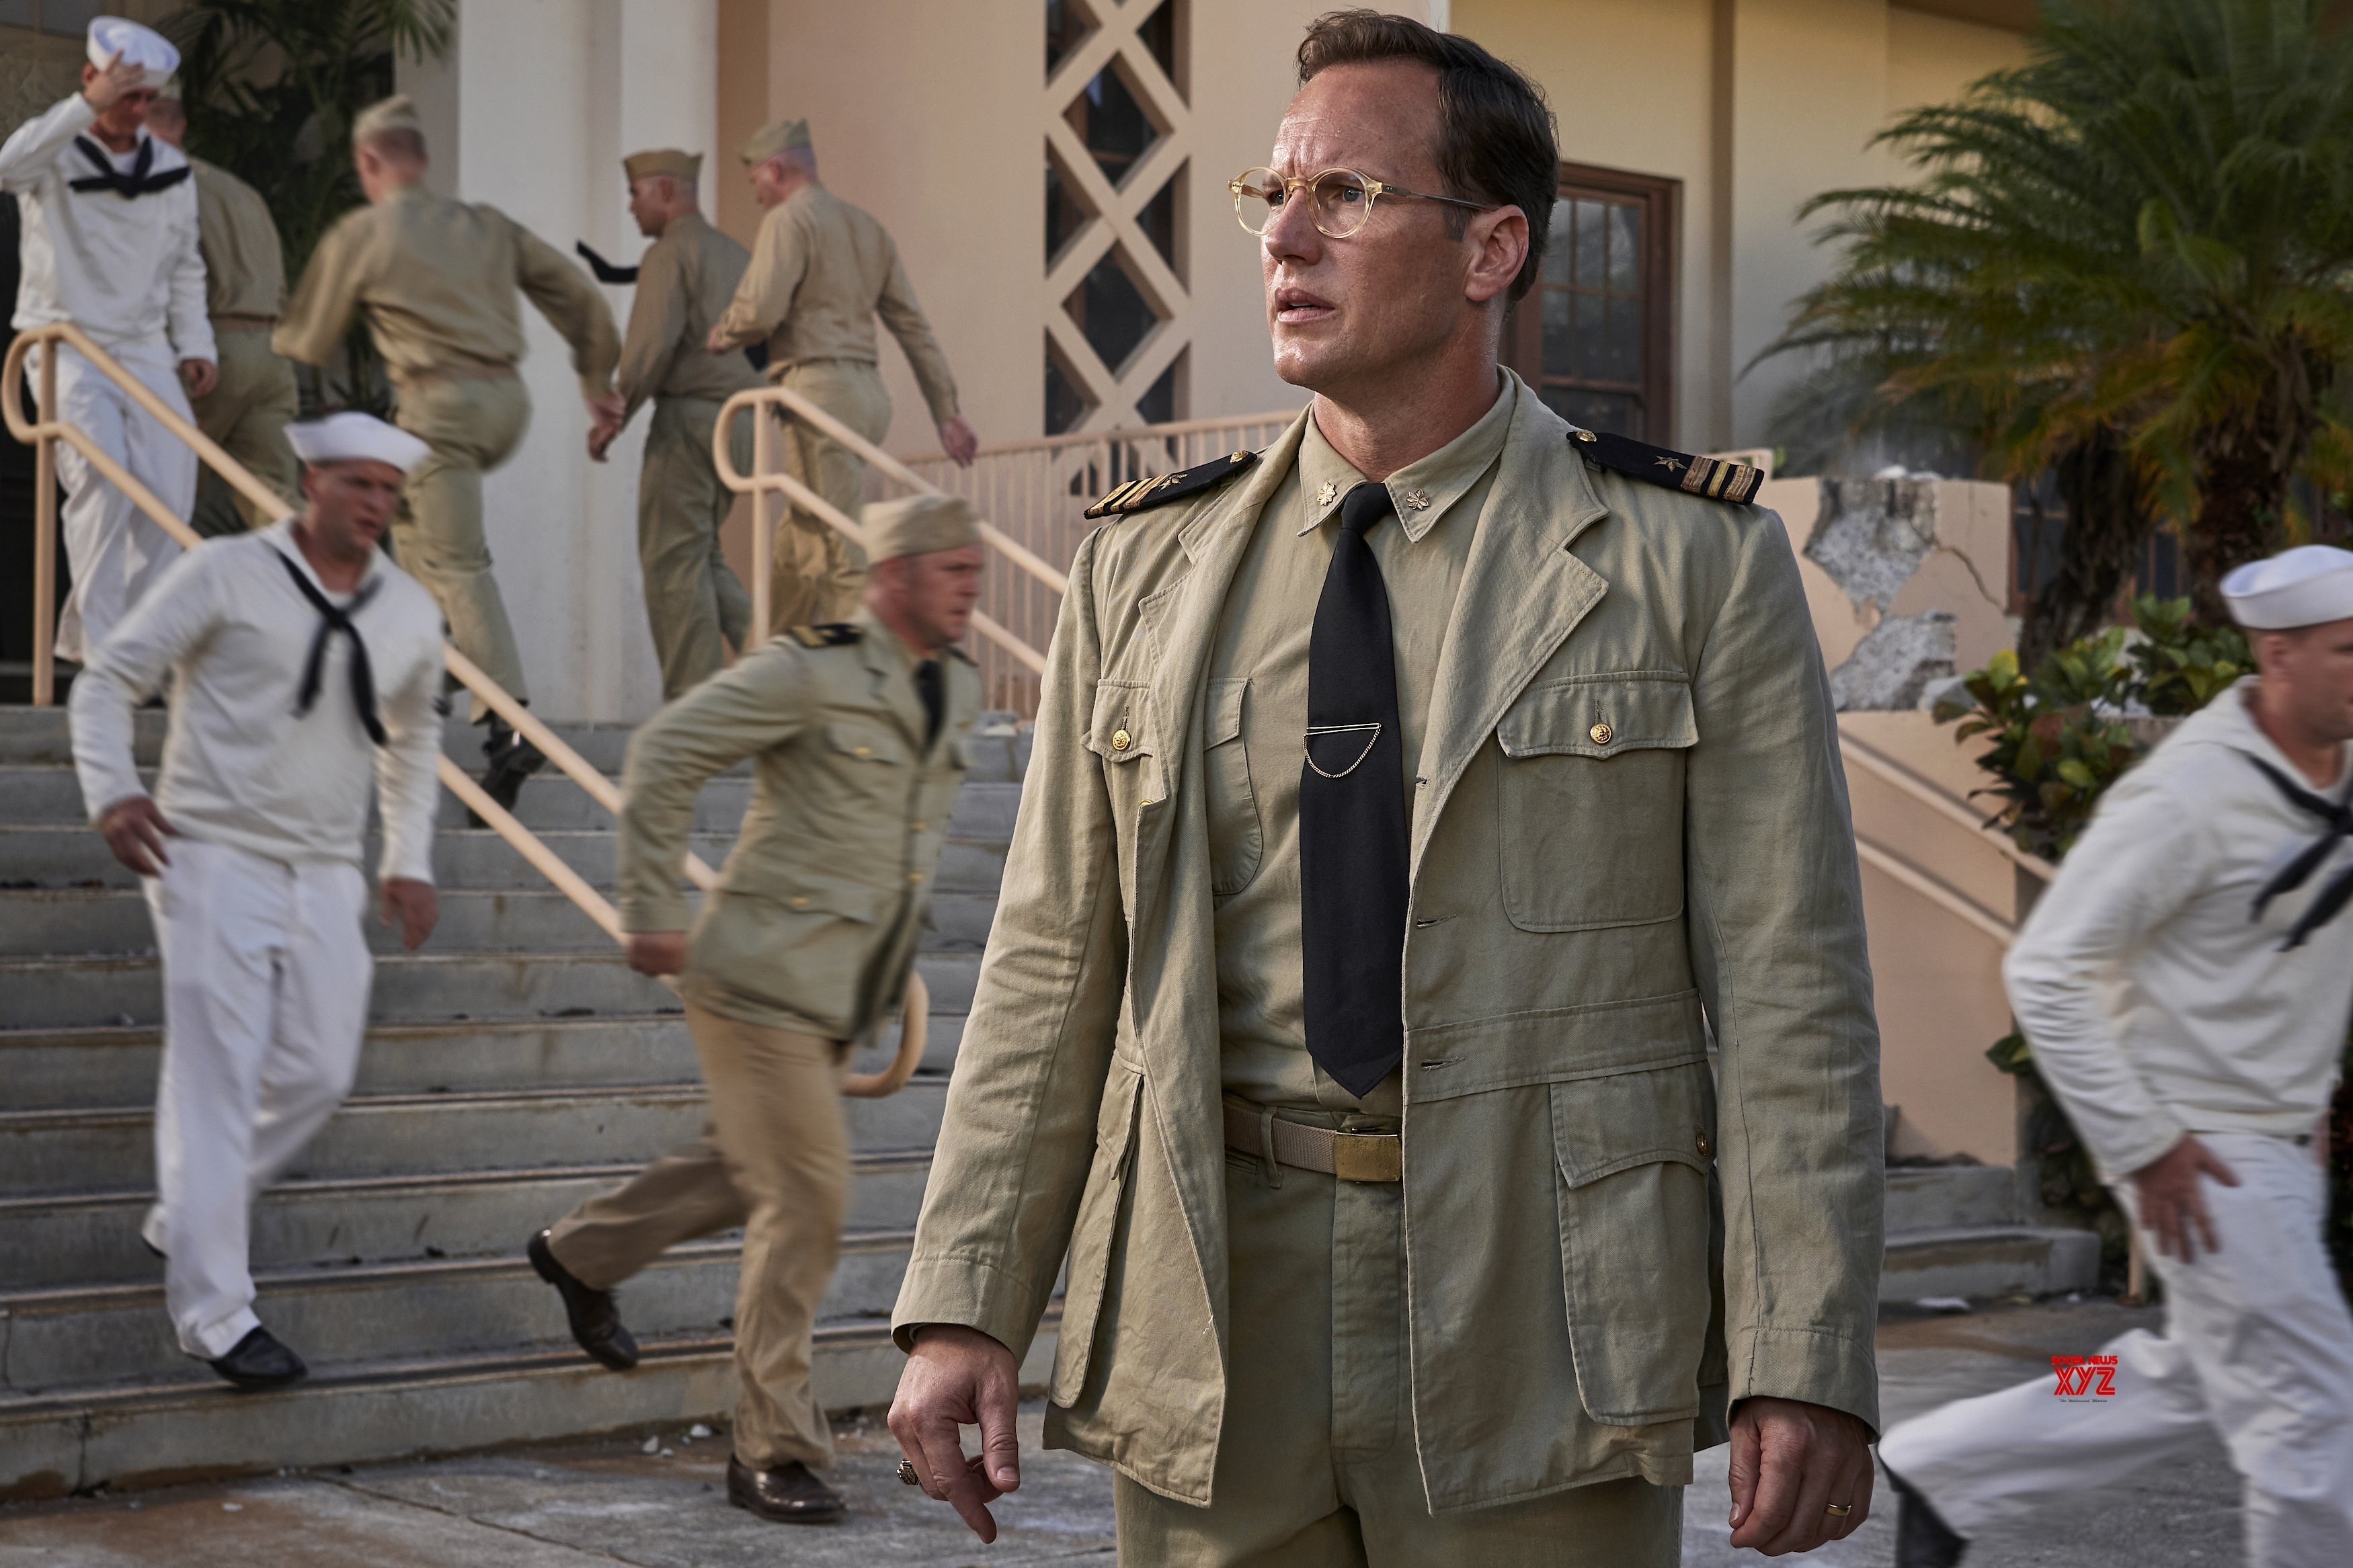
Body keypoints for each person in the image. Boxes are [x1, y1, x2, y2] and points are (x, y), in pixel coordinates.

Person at [887, 13, 1884, 1566]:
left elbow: (1786, 989)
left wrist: (1802, 1348)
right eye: (1272, 193)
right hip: (1215, 1300)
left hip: (1542, 1306)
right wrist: (966, 1296)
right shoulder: (1145, 565)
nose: (1285, 238)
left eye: (1345, 194)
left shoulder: (1688, 561)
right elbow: (1051, 960)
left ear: (1493, 249)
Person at [1877, 548, 2353, 1567]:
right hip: (2206, 1158)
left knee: (2186, 1376)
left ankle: (1948, 1458)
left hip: (2276, 1146)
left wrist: (2309, 1092)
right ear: (2278, 656)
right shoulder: (2188, 796)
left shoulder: (2333, 770)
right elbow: (2048, 967)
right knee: (2311, 1416)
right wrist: (2144, 1144)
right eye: (2348, 650)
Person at [524, 493, 984, 1525]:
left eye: (974, 571)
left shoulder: (955, 686)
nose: (970, 590)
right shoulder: (810, 670)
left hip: (837, 995)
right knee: (808, 1195)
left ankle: (578, 1253)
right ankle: (772, 1446)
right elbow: (667, 751)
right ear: (894, 574)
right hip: (754, 981)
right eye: (952, 571)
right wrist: (651, 906)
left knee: (745, 1170)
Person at [68, 411, 444, 1390]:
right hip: (209, 855)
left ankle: (187, 1211)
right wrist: (114, 789)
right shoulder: (225, 572)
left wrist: (408, 858)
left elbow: (413, 741)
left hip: (326, 867)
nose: (374, 503)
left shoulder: (409, 609)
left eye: (388, 490)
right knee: (217, 1077)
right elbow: (108, 680)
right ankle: (216, 1314)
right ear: (311, 483)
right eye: (357, 483)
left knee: (319, 1068)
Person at [275, 94, 624, 811]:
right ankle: (426, 673)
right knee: (406, 527)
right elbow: (581, 297)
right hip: (506, 402)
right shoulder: (485, 224)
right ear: (422, 159)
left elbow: (307, 340)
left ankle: (511, 725)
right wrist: (595, 382)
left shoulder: (365, 232)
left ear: (367, 162)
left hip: (440, 407)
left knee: (458, 562)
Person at [705, 116, 980, 634]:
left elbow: (761, 310)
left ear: (776, 170)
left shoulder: (789, 221)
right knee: (796, 546)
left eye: (755, 181)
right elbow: (912, 326)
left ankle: (874, 669)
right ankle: (768, 665)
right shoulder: (867, 228)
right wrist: (946, 411)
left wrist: (725, 332)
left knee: (840, 549)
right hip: (867, 397)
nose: (756, 194)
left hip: (818, 396)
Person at [0, 17, 214, 665]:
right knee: (102, 480)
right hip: (64, 341)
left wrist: (195, 343)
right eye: (127, 95)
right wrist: (82, 109)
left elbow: (185, 265)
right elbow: (7, 168)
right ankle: (105, 649)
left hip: (143, 347)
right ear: (92, 79)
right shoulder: (54, 149)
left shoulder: (170, 167)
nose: (138, 110)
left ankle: (120, 637)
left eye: (148, 98)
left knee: (169, 492)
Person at [586, 147, 762, 699]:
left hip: (690, 422)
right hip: (742, 424)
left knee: (673, 563)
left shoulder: (668, 254)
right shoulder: (738, 255)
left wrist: (615, 412)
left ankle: (696, 708)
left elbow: (652, 343)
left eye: (635, 194)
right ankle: (784, 666)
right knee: (703, 556)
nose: (631, 207)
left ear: (665, 191)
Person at [141, 84, 301, 538]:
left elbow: (159, 277)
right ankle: (336, 569)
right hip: (271, 355)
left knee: (163, 499)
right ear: (182, 125)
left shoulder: (156, 184)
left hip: (210, 352)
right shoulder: (241, 191)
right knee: (274, 503)